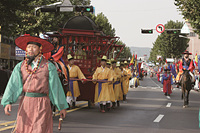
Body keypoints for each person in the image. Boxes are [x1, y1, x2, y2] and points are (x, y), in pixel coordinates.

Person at [1, 34, 68, 133]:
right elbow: (13, 85)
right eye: (28, 47)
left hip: (42, 104)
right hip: (26, 104)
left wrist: (61, 106)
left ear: (40, 49)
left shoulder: (49, 66)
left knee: (39, 129)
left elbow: (55, 88)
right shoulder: (20, 66)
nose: (30, 49)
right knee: (24, 129)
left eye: (33, 47)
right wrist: (7, 102)